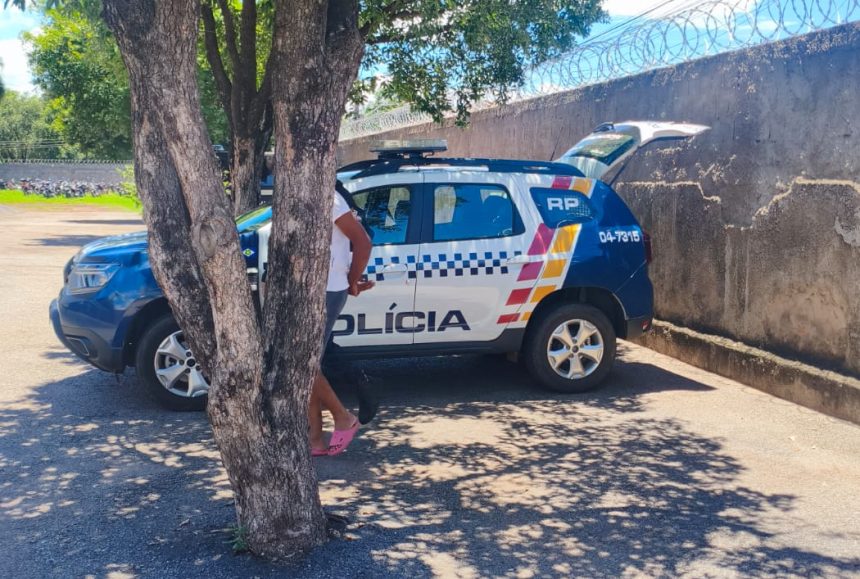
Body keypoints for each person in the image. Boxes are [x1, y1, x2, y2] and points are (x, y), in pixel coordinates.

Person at [309, 185, 374, 457]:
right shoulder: (308, 193)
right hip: (314, 288)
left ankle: (342, 416)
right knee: (310, 365)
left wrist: (351, 282)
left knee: (305, 364)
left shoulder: (330, 199)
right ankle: (315, 440)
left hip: (328, 289)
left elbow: (362, 242)